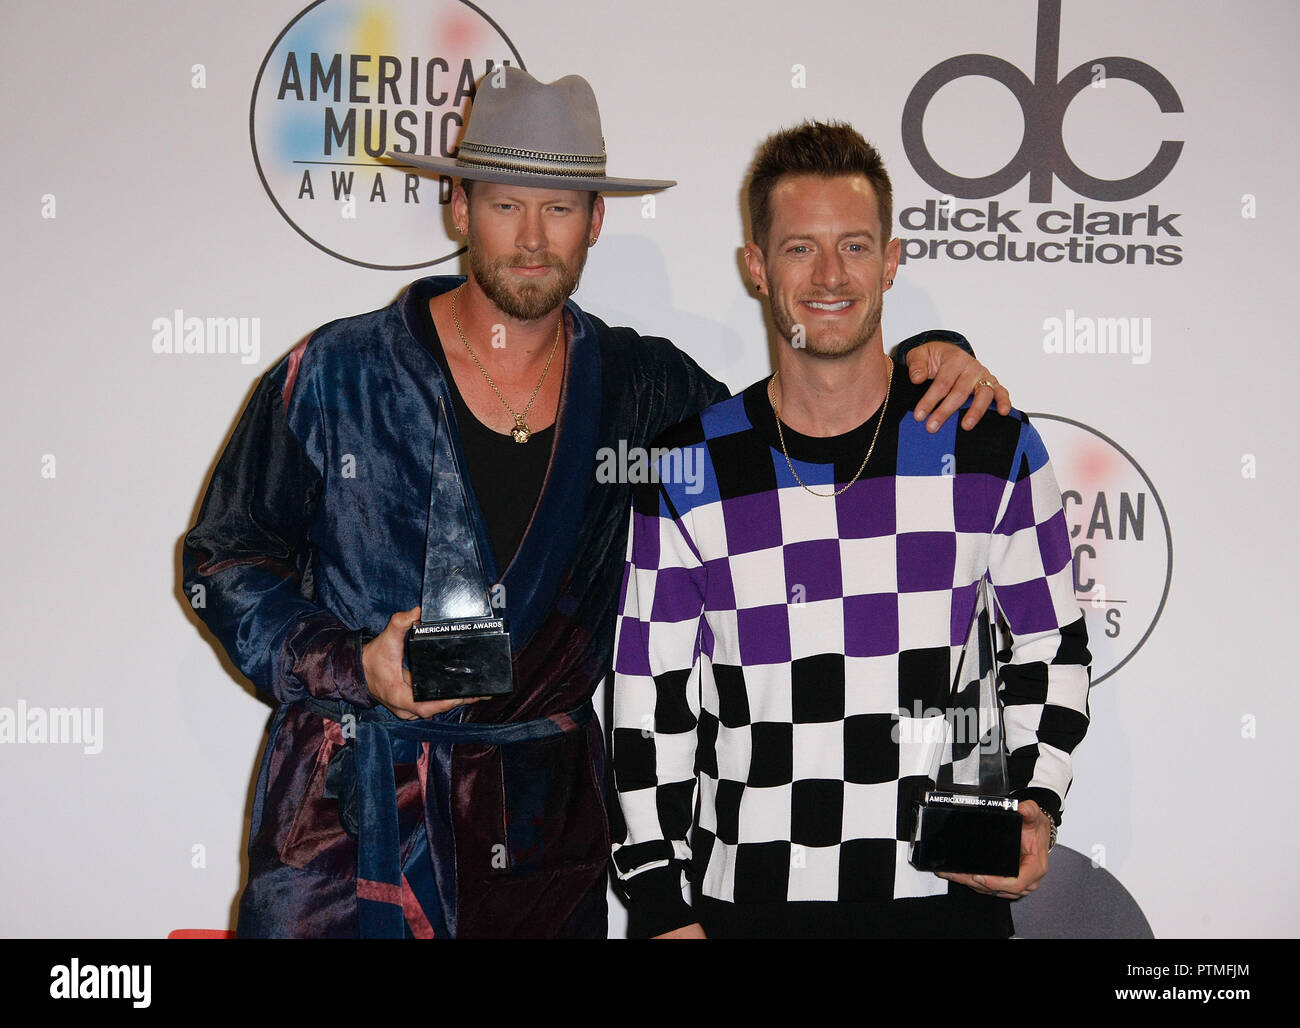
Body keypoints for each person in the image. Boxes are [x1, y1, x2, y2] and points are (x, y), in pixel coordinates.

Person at [183, 72, 1012, 939]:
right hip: (346, 836)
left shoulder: (644, 390)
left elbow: (802, 427)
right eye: (507, 205)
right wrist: (356, 665)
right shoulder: (336, 373)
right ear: (459, 209)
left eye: (562, 209)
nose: (533, 239)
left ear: (597, 221)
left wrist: (926, 355)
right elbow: (222, 560)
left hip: (541, 847)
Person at [610, 120, 1091, 939]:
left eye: (856, 247)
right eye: (800, 249)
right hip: (747, 905)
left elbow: (1051, 641)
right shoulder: (690, 466)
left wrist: (1036, 805)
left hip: (947, 901)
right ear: (756, 267)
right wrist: (658, 902)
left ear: (893, 260)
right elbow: (648, 698)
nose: (830, 276)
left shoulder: (988, 445)